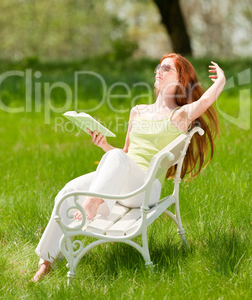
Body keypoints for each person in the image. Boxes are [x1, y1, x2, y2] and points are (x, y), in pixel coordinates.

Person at [31, 53, 226, 282]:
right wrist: (104, 145)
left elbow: (205, 102)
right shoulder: (138, 110)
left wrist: (221, 80)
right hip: (123, 182)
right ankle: (46, 262)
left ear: (180, 79)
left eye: (166, 68)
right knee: (67, 190)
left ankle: (91, 205)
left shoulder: (179, 115)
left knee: (107, 169)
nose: (158, 71)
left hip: (145, 189)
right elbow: (123, 155)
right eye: (158, 67)